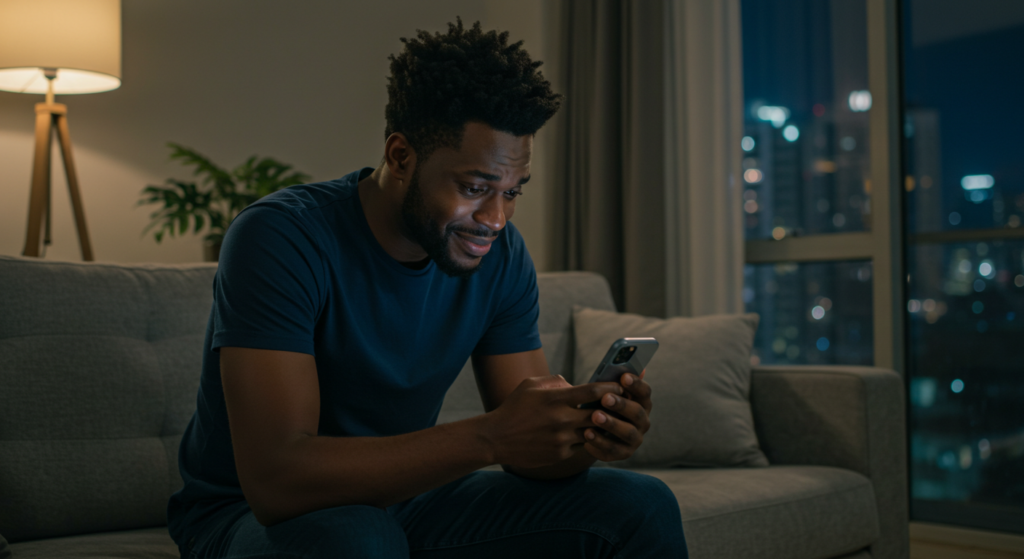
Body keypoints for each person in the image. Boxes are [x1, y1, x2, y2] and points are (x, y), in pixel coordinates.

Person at [168, 19, 688, 559]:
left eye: (512, 192)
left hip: (406, 500)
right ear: (400, 156)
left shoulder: (500, 256)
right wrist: (489, 436)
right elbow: (277, 482)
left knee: (639, 504)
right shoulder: (282, 237)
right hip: (247, 518)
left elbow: (528, 451)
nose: (496, 218)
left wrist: (587, 436)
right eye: (473, 187)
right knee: (358, 541)